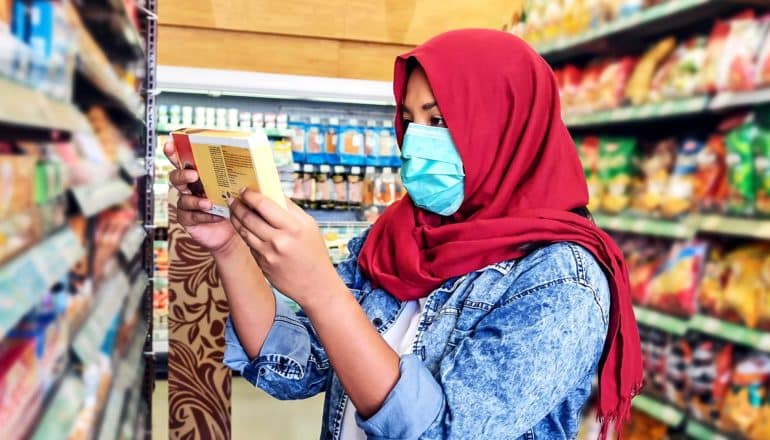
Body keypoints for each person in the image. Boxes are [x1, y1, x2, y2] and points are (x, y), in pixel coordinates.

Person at [164, 29, 643, 440]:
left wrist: (323, 292)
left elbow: (442, 431)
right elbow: (297, 367)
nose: (415, 141)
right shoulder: (400, 236)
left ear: (504, 125)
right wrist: (229, 247)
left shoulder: (561, 279)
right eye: (409, 120)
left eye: (440, 120)